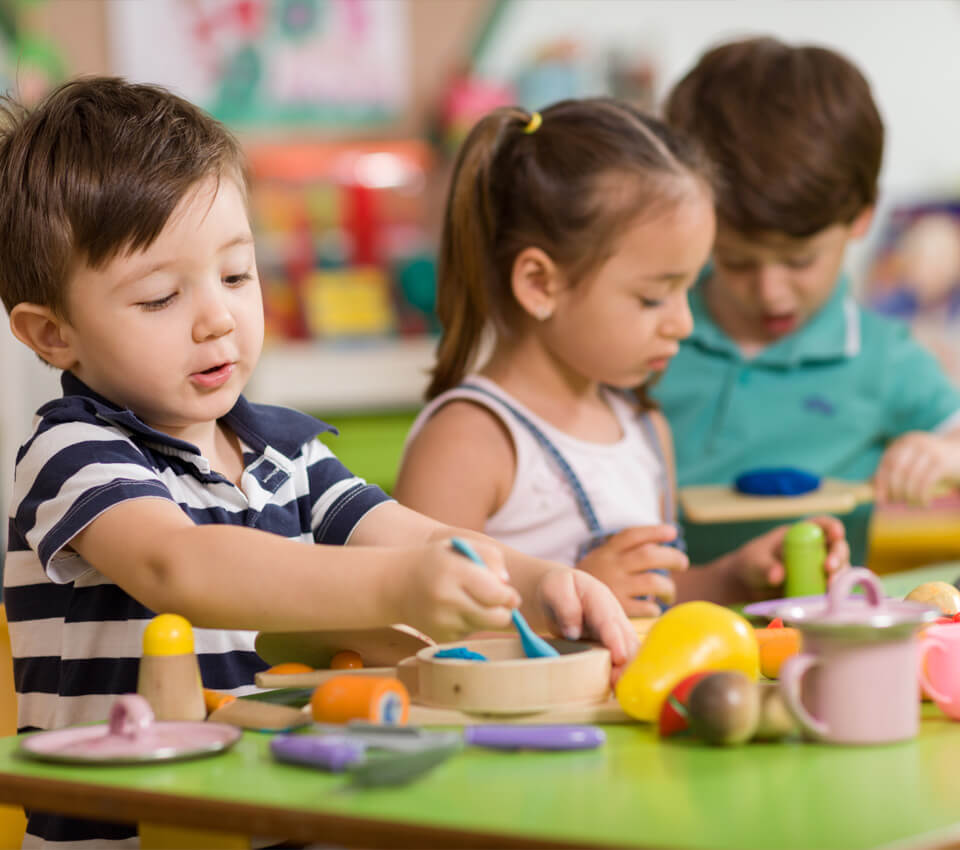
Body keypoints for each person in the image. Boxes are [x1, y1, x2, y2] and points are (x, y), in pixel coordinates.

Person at [0, 78, 634, 848]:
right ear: (51, 334)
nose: (218, 318)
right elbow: (183, 567)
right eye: (161, 297)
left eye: (237, 274)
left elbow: (408, 534)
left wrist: (542, 585)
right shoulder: (73, 452)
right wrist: (397, 590)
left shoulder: (284, 453)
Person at [394, 98, 848, 619]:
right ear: (540, 284)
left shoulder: (645, 427)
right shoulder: (469, 441)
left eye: (689, 289)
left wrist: (733, 576)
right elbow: (411, 635)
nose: (683, 323)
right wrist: (568, 602)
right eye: (653, 297)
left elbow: (655, 602)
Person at [655, 37, 960, 567]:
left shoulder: (883, 358)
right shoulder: (649, 329)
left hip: (816, 639)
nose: (771, 291)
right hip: (649, 633)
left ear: (862, 216)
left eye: (799, 262)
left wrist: (946, 456)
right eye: (736, 261)